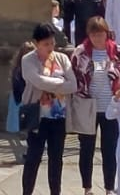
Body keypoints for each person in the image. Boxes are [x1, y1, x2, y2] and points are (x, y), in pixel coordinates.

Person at [73, 14, 120, 194]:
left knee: (110, 150)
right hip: (88, 106)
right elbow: (74, 77)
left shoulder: (118, 52)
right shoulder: (80, 52)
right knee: (86, 149)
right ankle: (87, 187)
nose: (97, 38)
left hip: (112, 106)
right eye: (93, 35)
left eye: (100, 34)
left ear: (106, 34)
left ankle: (109, 188)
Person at [22, 22, 76, 195]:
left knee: (56, 159)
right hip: (38, 115)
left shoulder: (62, 59)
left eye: (52, 43)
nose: (50, 47)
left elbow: (73, 85)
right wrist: (61, 84)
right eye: (46, 44)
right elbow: (37, 81)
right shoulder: (28, 60)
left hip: (58, 115)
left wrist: (56, 85)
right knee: (33, 157)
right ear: (36, 43)